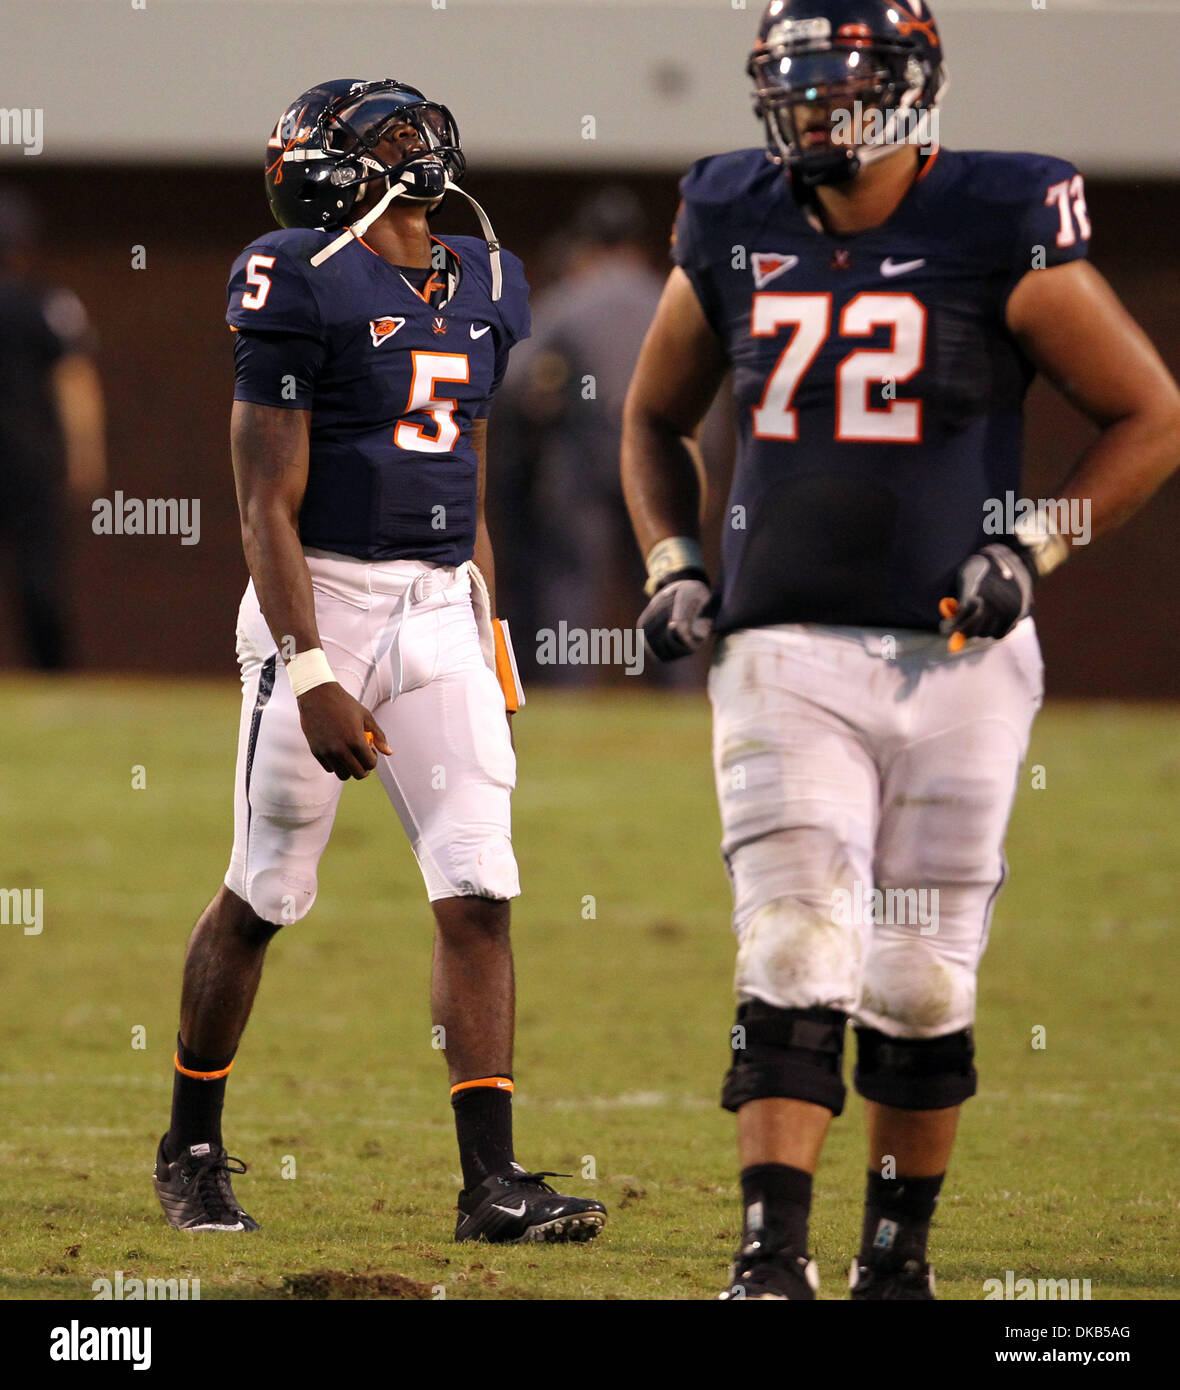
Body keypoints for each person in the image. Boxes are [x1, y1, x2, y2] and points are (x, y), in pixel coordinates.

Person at [622, 0, 1180, 1299]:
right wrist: (672, 562)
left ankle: (897, 1263)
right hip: (783, 648)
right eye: (792, 85)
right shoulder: (730, 213)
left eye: (836, 84)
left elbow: (1149, 412)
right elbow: (652, 415)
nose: (811, 111)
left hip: (958, 653)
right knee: (796, 942)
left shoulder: (1001, 214)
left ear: (911, 90)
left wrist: (1033, 546)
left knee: (924, 979)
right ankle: (769, 1261)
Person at [152, 78, 605, 1246]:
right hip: (324, 594)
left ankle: (490, 1186)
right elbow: (264, 501)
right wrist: (309, 670)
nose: (300, 171)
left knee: (479, 887)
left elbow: (471, 475)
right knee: (267, 889)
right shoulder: (294, 273)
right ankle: (191, 1146)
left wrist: (489, 632)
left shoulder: (492, 281)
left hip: (444, 600)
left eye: (331, 149)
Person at [0, 187, 106, 669]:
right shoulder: (48, 304)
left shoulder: (48, 305)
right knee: (39, 572)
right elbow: (75, 382)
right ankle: (51, 673)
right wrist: (85, 455)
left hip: (26, 458)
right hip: (31, 458)